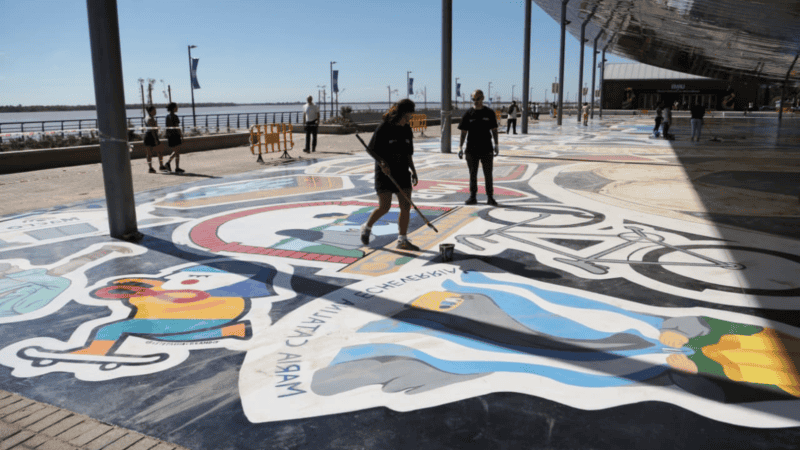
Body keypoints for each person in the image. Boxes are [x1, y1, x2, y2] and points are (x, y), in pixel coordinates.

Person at [360, 99, 420, 251]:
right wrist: (382, 163)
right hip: (385, 173)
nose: (410, 118)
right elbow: (370, 149)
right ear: (402, 113)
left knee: (405, 206)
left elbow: (408, 153)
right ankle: (367, 227)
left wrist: (413, 170)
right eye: (409, 115)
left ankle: (402, 240)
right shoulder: (384, 128)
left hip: (402, 172)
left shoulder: (407, 129)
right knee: (384, 207)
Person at [458, 90, 499, 206]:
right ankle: (472, 196)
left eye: (478, 99)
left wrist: (497, 145)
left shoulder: (489, 113)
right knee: (472, 174)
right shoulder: (468, 114)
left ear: (483, 98)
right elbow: (463, 132)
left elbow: (494, 130)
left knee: (488, 174)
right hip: (472, 149)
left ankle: (490, 197)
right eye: (474, 99)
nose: (476, 102)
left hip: (486, 148)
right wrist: (460, 147)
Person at [163, 102, 184, 174]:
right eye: (176, 107)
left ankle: (168, 164)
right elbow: (177, 127)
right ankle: (176, 167)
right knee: (177, 152)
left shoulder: (167, 117)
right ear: (173, 108)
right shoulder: (175, 117)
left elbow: (167, 127)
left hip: (170, 136)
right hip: (175, 136)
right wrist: (181, 135)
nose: (177, 108)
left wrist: (166, 134)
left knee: (176, 151)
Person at [143, 106, 163, 173]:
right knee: (159, 152)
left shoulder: (146, 117)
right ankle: (161, 166)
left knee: (149, 153)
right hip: (151, 136)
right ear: (150, 111)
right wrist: (155, 140)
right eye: (154, 110)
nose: (155, 111)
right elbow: (152, 130)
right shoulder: (150, 119)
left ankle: (150, 167)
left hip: (147, 136)